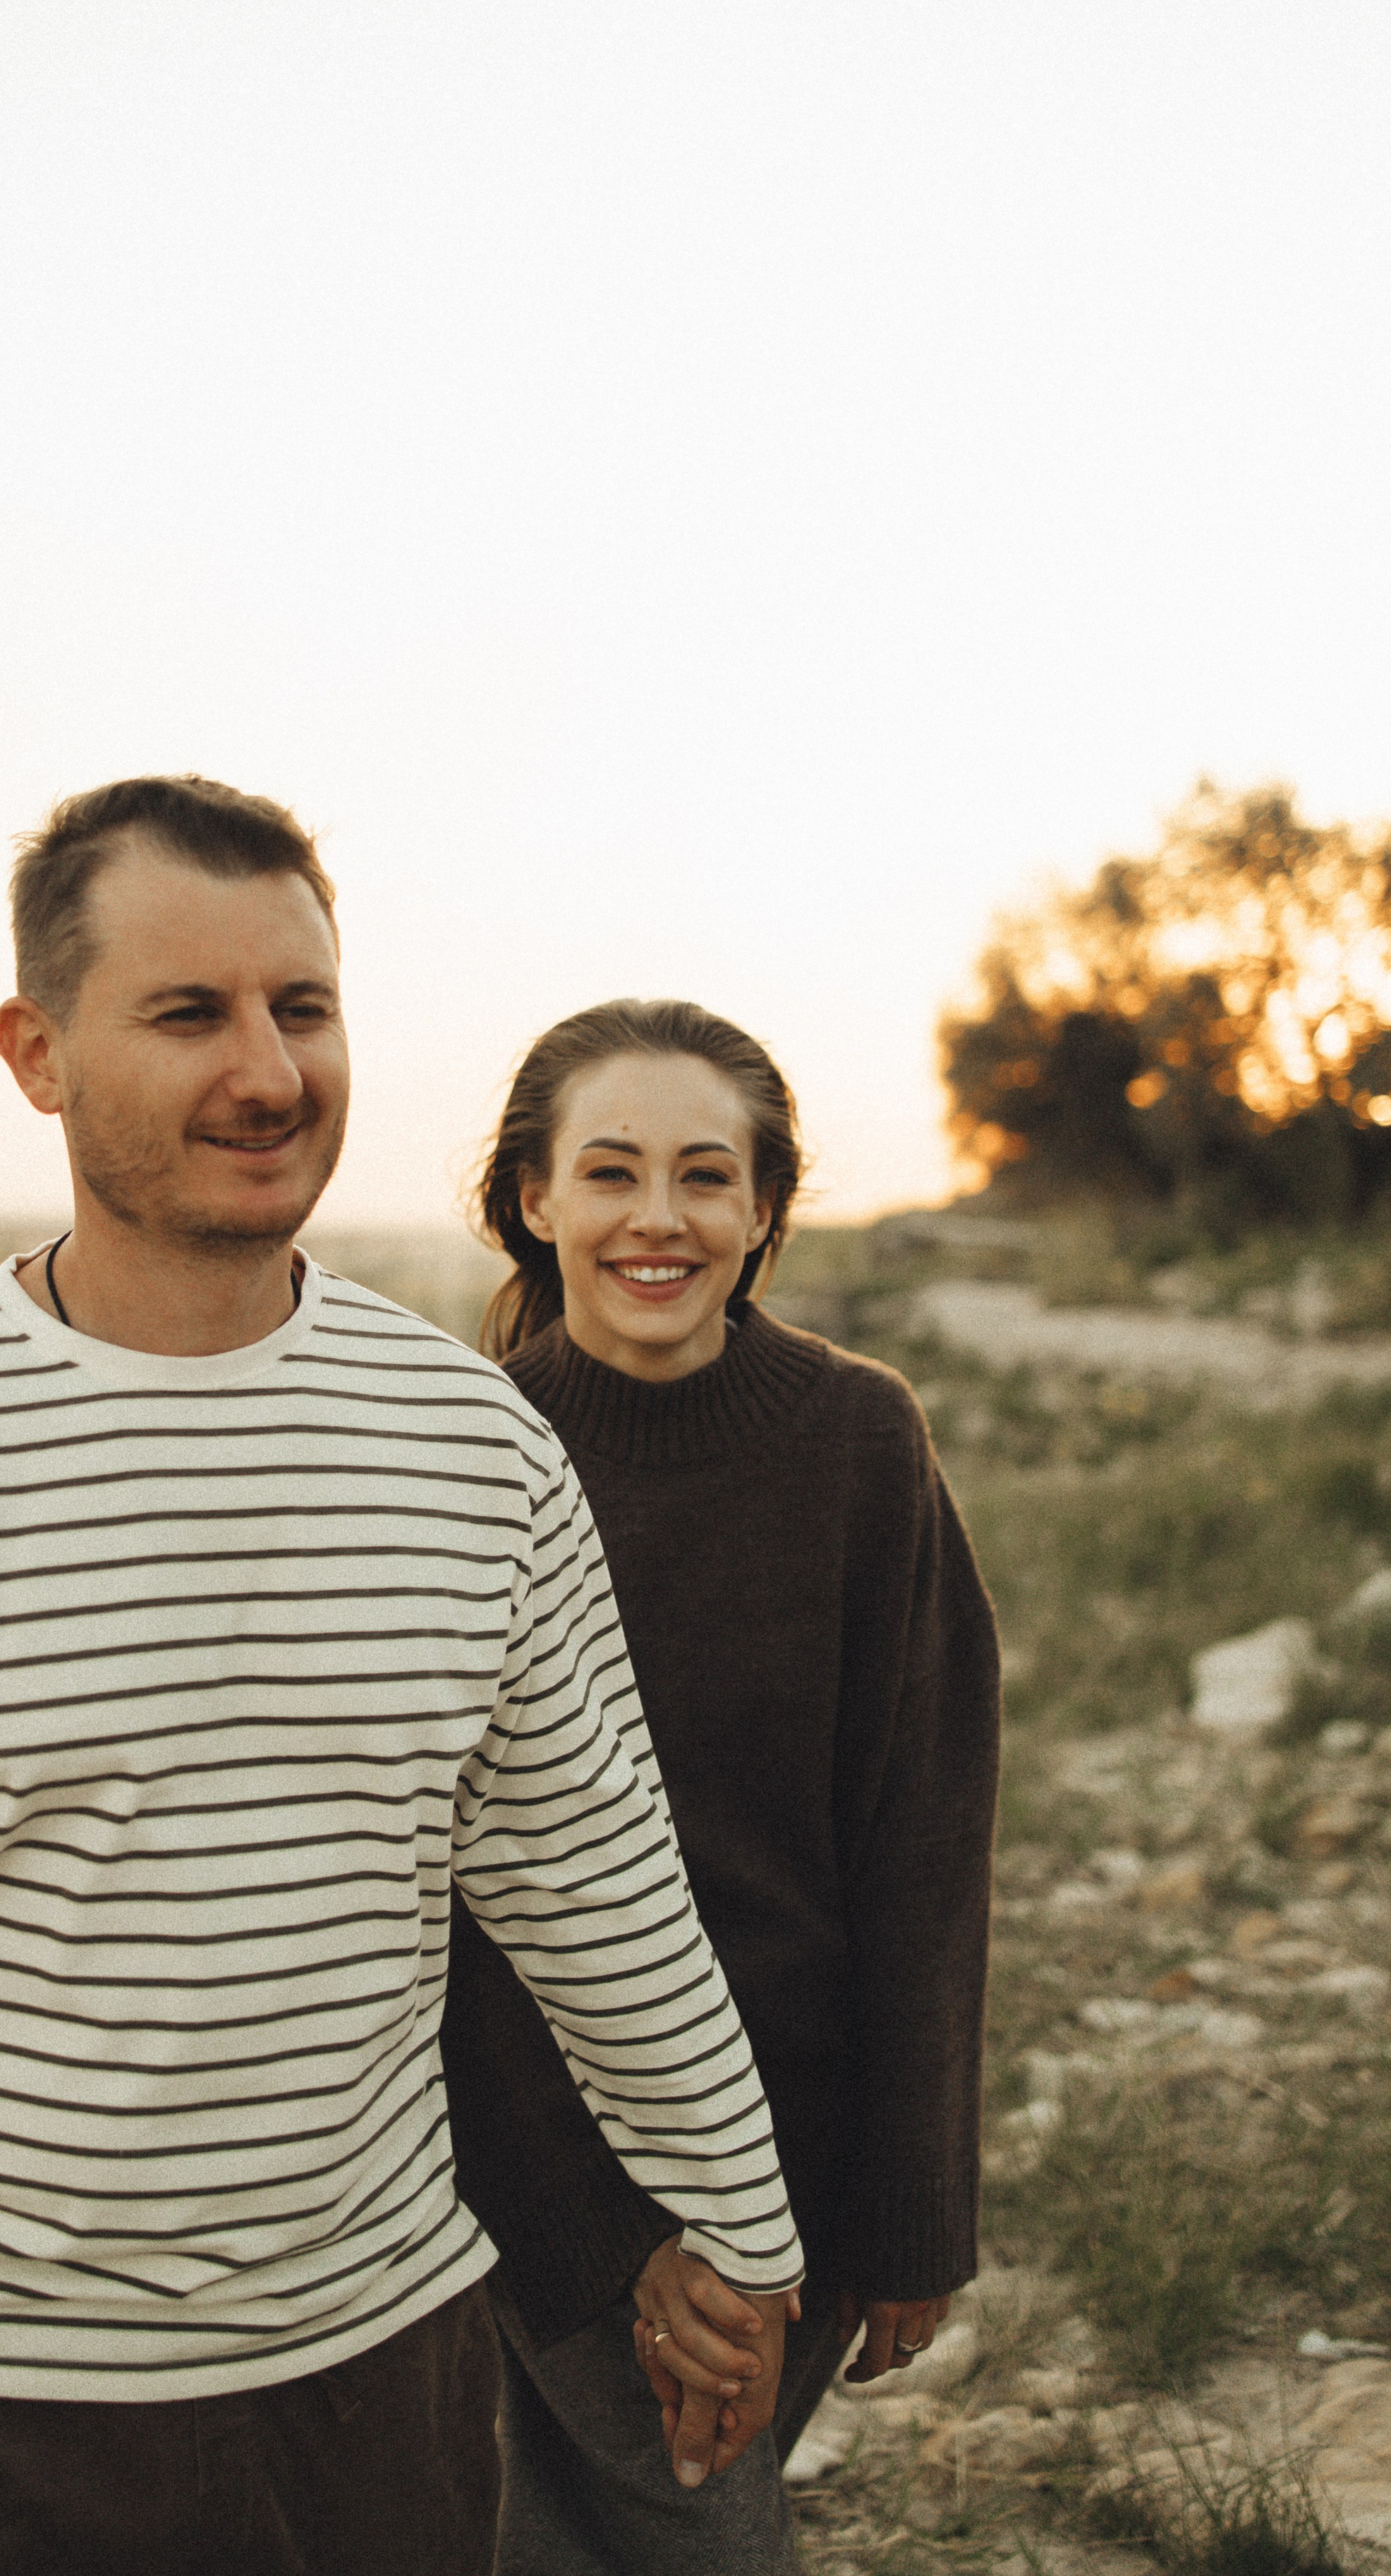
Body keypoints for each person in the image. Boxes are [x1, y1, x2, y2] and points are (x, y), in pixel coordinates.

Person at [0, 786, 805, 2576]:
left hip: (371, 2388)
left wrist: (737, 2222)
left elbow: (589, 1888)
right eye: (188, 1015)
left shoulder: (475, 1453)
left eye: (302, 1009)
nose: (267, 1074)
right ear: (37, 1052)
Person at [439, 997, 1002, 2574]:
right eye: (609, 1174)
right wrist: (610, 2249)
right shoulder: (454, 1466)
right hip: (515, 2181)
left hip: (797, 2172)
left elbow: (921, 1845)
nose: (657, 1220)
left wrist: (910, 2213)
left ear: (761, 1212)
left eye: (705, 1176)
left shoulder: (858, 1444)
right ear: (533, 1201)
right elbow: (439, 1918)